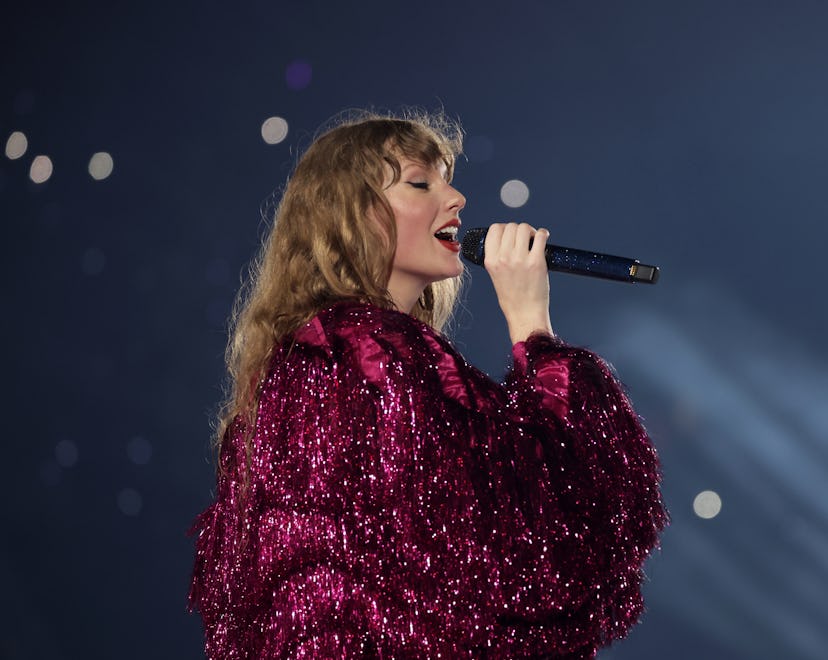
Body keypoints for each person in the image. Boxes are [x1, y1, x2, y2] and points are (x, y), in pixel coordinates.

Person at [189, 111, 667, 659]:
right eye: (421, 183)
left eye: (447, 180)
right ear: (354, 215)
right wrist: (532, 325)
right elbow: (531, 532)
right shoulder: (371, 356)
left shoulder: (311, 362)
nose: (457, 198)